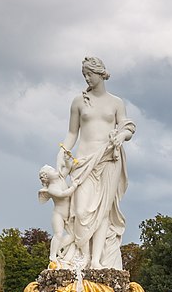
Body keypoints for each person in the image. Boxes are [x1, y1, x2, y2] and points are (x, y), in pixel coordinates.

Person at [54, 57, 135, 270]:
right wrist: (63, 153)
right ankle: (81, 256)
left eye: (89, 74)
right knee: (80, 212)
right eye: (84, 75)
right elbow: (72, 133)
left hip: (109, 160)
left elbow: (128, 127)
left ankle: (96, 260)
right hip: (83, 162)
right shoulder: (78, 102)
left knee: (103, 212)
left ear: (100, 73)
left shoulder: (116, 102)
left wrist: (121, 136)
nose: (87, 78)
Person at [37, 165, 75, 263]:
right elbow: (63, 194)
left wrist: (66, 159)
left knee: (73, 235)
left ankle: (60, 248)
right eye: (51, 169)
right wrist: (74, 186)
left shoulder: (61, 178)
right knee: (58, 234)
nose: (54, 169)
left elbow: (68, 167)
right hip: (58, 215)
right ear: (46, 176)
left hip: (69, 215)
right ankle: (52, 256)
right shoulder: (51, 188)